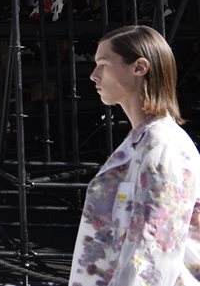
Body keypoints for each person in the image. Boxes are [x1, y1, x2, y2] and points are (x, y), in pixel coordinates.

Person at [70, 25, 200, 285]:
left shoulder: (162, 146)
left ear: (139, 67)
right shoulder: (143, 142)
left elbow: (152, 253)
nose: (94, 75)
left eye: (104, 64)